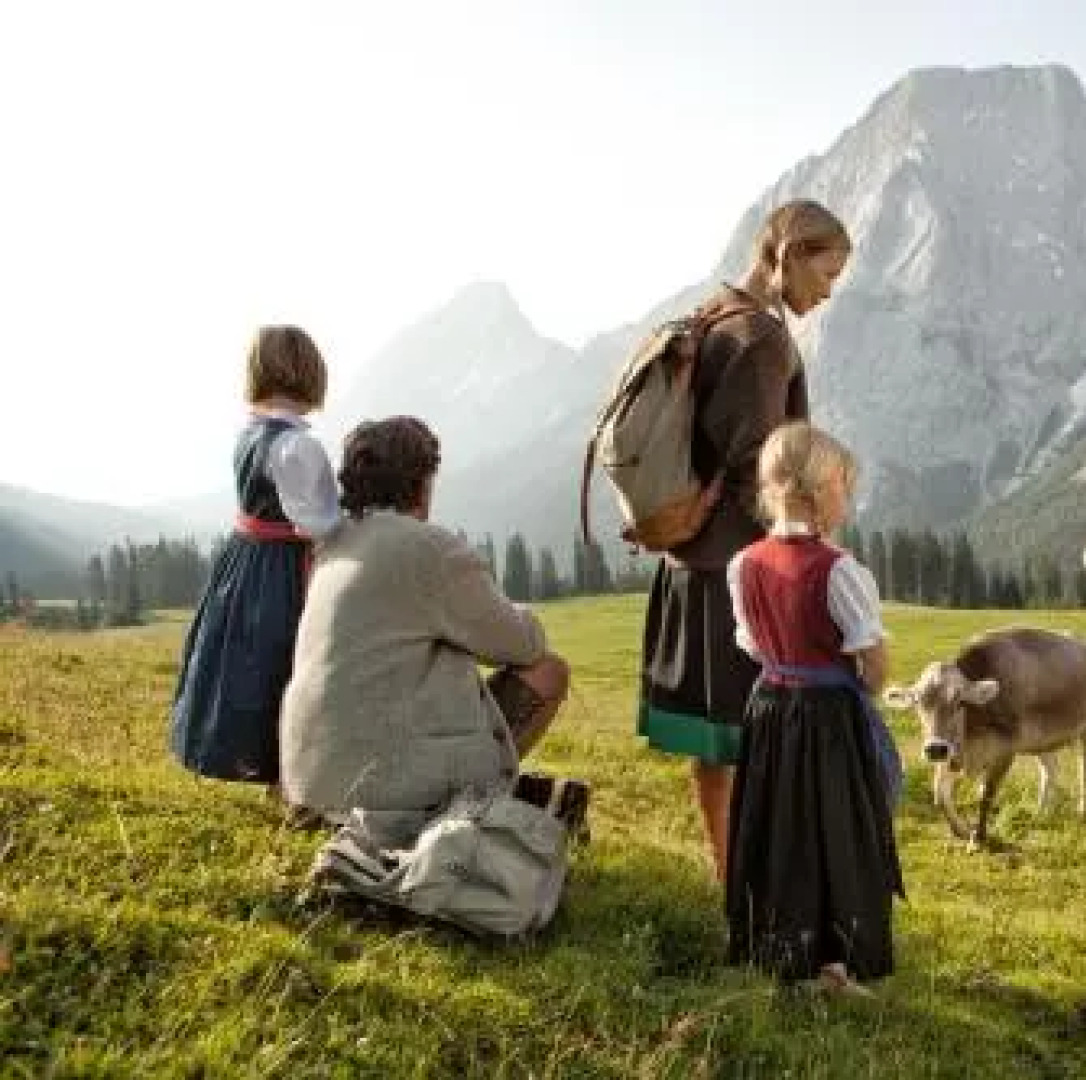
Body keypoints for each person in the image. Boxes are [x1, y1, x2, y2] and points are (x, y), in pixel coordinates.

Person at [638, 199, 852, 883]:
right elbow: (758, 469)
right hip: (738, 569)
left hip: (693, 558)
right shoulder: (761, 338)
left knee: (718, 742)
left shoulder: (715, 313)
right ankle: (749, 882)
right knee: (756, 734)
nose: (828, 292)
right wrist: (804, 557)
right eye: (826, 273)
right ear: (788, 255)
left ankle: (731, 874)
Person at [277, 416, 572, 850]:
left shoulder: (333, 545)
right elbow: (522, 644)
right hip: (380, 792)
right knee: (549, 672)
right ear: (421, 483)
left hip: (307, 783)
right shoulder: (428, 548)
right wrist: (516, 612)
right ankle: (474, 804)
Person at [724, 421, 903, 995]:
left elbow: (752, 645)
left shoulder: (744, 563)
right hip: (827, 719)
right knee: (838, 831)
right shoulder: (839, 570)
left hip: (771, 710)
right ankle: (833, 963)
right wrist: (863, 684)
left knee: (781, 827)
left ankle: (784, 948)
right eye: (845, 487)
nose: (846, 500)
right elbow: (873, 664)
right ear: (821, 489)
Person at [169, 325, 341, 798]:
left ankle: (270, 770)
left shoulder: (250, 434)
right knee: (289, 663)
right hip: (284, 567)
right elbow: (319, 522)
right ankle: (291, 777)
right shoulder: (298, 446)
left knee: (252, 663)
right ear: (311, 374)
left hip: (245, 560)